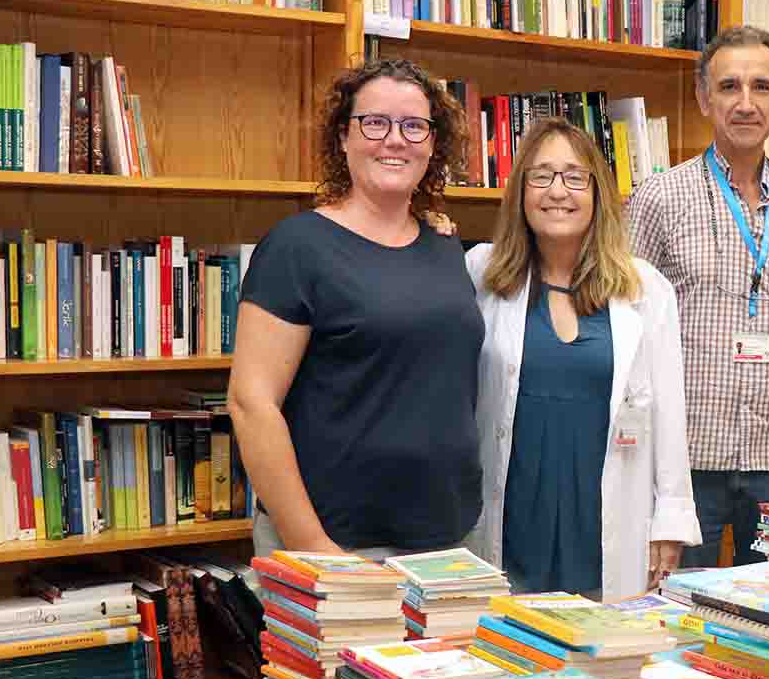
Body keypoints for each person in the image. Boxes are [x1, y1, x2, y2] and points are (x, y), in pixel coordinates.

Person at [229, 58, 483, 560]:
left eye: (414, 126)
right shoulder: (296, 247)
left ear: (434, 144)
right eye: (375, 122)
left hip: (447, 544)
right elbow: (251, 404)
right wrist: (317, 550)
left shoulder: (445, 246)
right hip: (336, 545)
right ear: (343, 136)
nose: (395, 139)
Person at [628, 25, 769, 570]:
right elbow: (626, 321)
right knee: (679, 610)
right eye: (730, 87)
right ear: (704, 98)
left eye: (762, 87)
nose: (746, 103)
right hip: (686, 450)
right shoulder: (659, 197)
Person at [466, 117, 700, 601]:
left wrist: (670, 518)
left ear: (597, 193)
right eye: (542, 175)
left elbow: (669, 413)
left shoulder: (644, 287)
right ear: (520, 191)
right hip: (510, 521)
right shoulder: (482, 273)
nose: (558, 191)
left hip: (607, 519)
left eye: (575, 177)